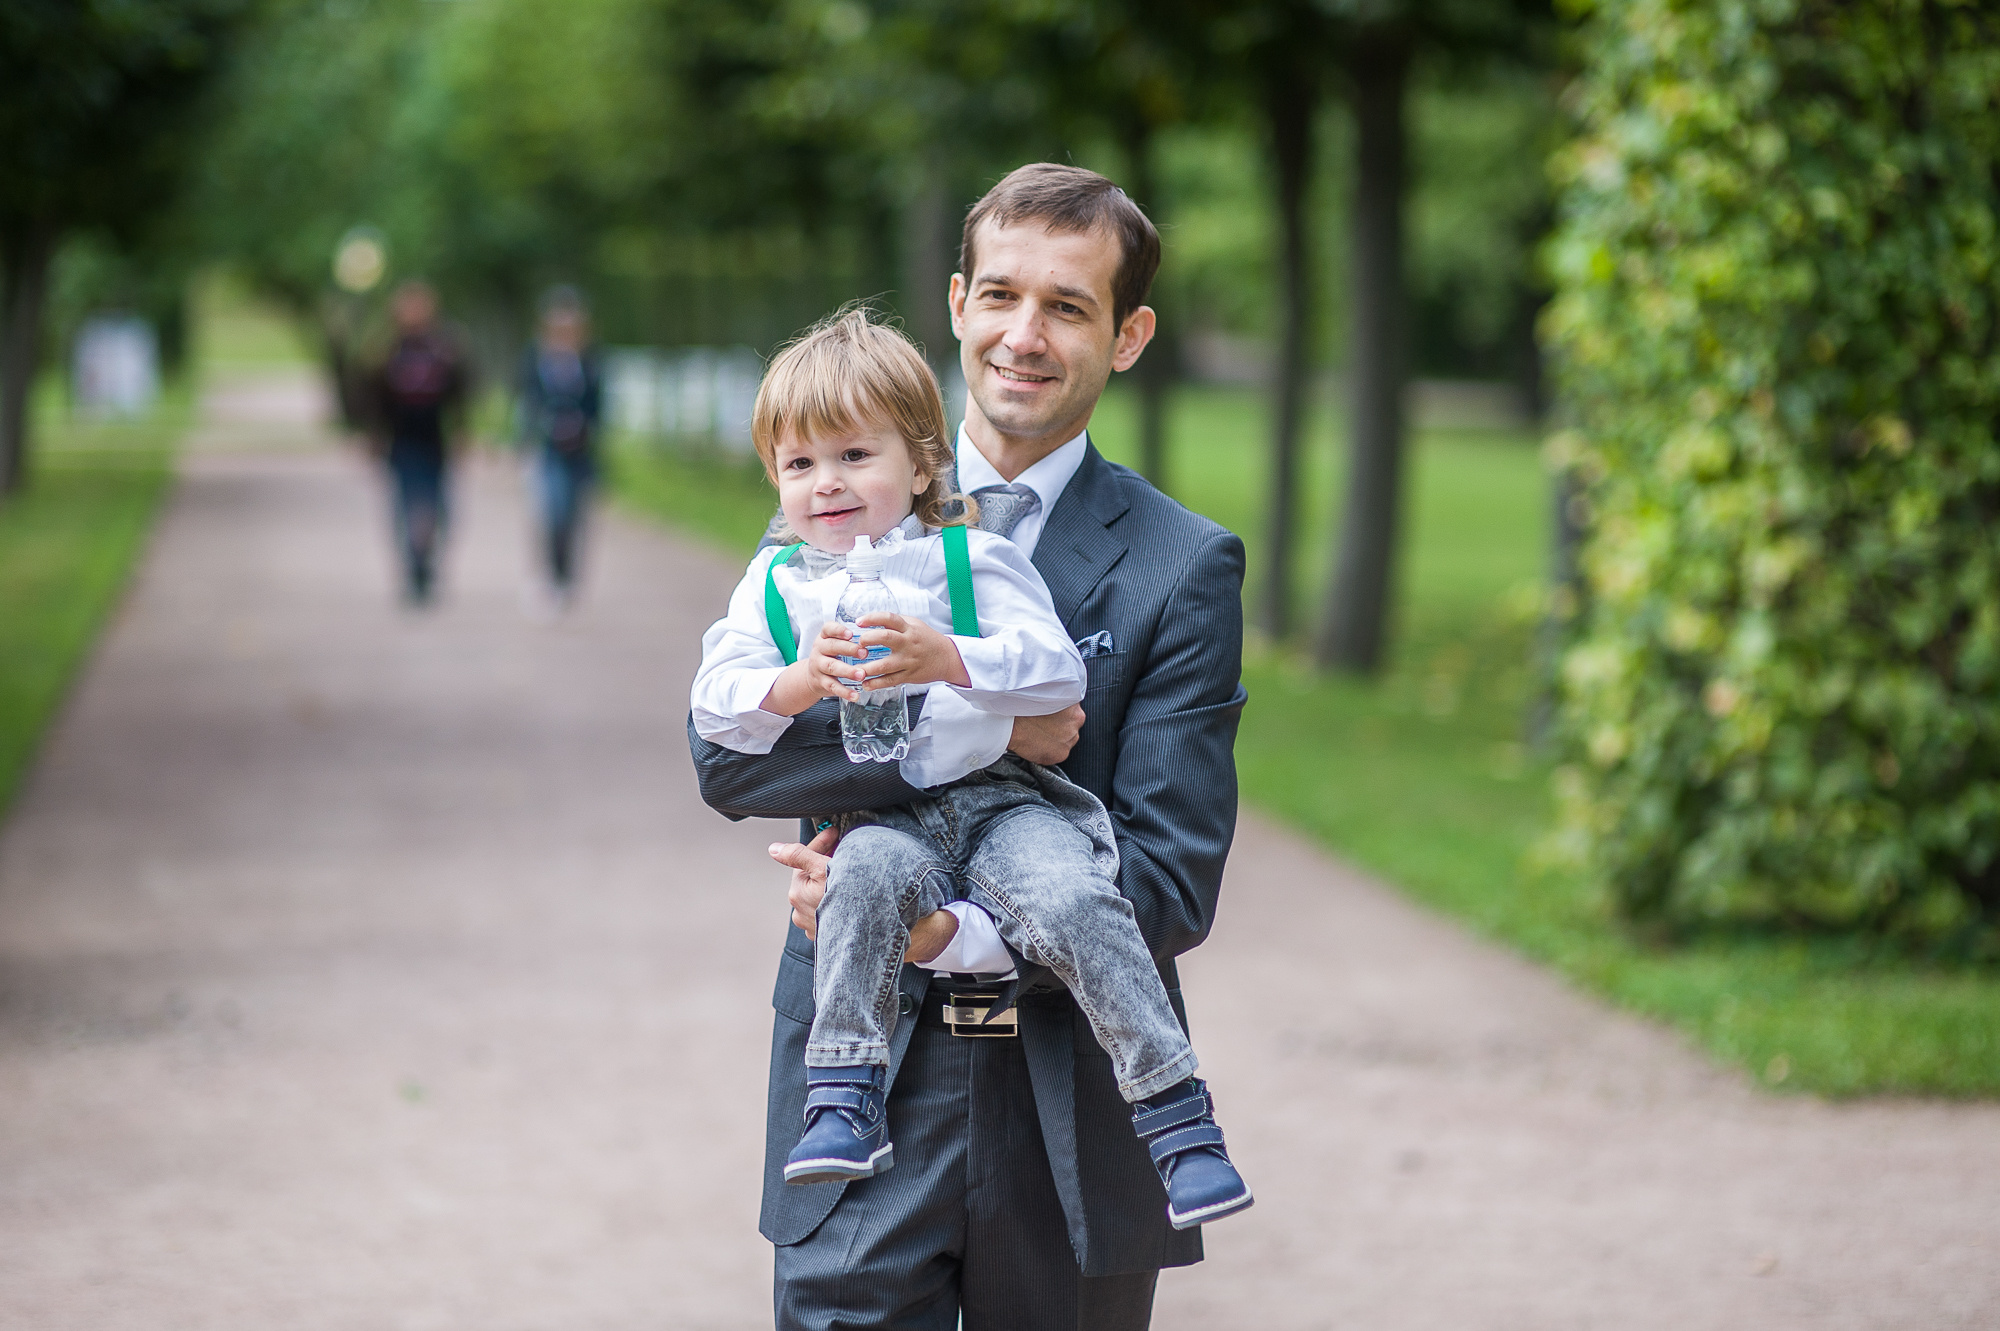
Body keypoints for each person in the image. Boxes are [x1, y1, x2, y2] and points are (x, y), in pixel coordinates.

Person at [689, 163, 1247, 1331]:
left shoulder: (1180, 566)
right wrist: (1001, 725)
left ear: (1129, 334)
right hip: (860, 1075)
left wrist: (951, 933)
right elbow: (731, 763)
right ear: (954, 304)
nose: (1022, 336)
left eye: (1068, 306)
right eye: (999, 295)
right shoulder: (830, 502)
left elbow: (1170, 878)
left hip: (1071, 1101)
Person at [366, 281, 469, 605]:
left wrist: (462, 430)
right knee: (407, 504)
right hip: (401, 440)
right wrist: (372, 434)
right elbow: (370, 396)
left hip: (435, 439)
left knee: (438, 507)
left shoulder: (446, 348)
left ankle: (427, 560)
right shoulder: (384, 350)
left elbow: (461, 392)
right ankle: (413, 566)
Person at [516, 287, 603, 605]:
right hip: (548, 449)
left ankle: (567, 577)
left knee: (573, 514)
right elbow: (527, 402)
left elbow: (598, 405)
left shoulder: (590, 359)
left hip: (580, 453)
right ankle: (551, 576)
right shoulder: (536, 358)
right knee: (551, 510)